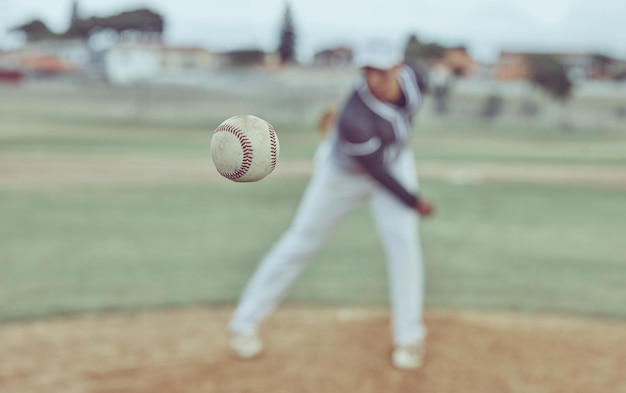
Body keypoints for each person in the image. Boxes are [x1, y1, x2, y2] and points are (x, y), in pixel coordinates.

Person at [228, 39, 434, 370]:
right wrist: (415, 201)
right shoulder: (355, 118)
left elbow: (397, 136)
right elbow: (376, 171)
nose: (373, 79)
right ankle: (244, 325)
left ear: (398, 67)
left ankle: (409, 337)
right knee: (301, 242)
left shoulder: (417, 78)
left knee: (404, 243)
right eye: (367, 71)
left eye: (381, 71)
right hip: (344, 175)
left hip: (394, 162)